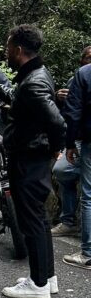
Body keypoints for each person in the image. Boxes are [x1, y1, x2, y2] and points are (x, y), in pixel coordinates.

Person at [0, 24, 66, 298]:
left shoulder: (35, 82)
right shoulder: (34, 75)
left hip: (29, 158)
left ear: (18, 49)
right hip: (31, 156)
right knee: (37, 219)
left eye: (7, 46)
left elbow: (57, 123)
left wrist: (54, 149)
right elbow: (19, 100)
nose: (5, 51)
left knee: (31, 220)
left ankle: (37, 284)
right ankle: (47, 277)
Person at [51, 46, 91, 237]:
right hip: (79, 140)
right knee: (61, 171)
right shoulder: (76, 78)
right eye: (88, 58)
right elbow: (68, 115)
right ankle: (68, 221)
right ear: (81, 60)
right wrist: (59, 98)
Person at [61, 49, 91, 269]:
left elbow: (73, 112)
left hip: (89, 139)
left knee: (89, 196)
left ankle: (88, 253)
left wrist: (69, 142)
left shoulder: (85, 74)